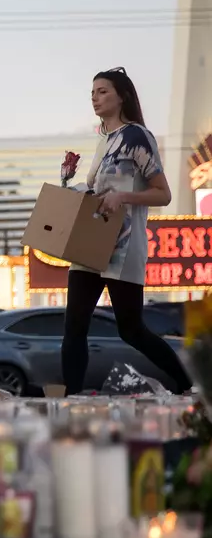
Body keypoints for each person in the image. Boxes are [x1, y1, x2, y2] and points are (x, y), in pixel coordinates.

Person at [60, 67, 191, 394]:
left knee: (130, 330)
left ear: (122, 96)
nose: (95, 97)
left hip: (124, 246)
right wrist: (67, 178)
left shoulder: (137, 137)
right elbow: (96, 193)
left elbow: (163, 194)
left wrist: (123, 197)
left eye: (102, 91)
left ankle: (189, 385)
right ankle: (70, 401)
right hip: (91, 243)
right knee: (74, 326)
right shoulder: (103, 140)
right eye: (92, 92)